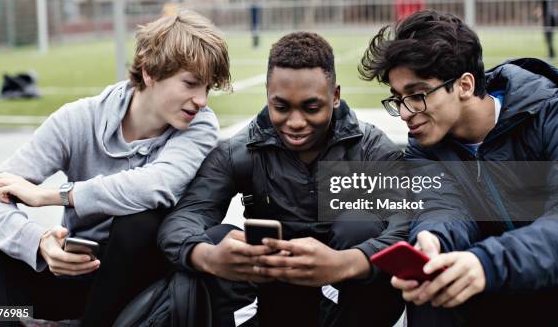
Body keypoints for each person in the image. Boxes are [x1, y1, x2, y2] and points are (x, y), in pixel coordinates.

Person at [0, 9, 231, 326]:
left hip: (141, 288)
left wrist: (53, 196)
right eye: (190, 84)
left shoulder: (200, 126)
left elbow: (154, 185)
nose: (202, 100)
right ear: (150, 72)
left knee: (140, 220)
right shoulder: (79, 119)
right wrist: (39, 243)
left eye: (207, 88)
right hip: (78, 271)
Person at [159, 32, 409, 327]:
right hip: (275, 299)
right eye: (281, 107)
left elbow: (407, 223)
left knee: (359, 224)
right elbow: (183, 218)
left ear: (336, 96)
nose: (295, 122)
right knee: (216, 239)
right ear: (268, 94)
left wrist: (348, 262)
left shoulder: (369, 149)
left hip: (351, 300)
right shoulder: (240, 152)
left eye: (311, 107)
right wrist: (208, 256)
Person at [358, 9, 558, 326]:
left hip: (553, 287)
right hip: (491, 291)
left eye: (417, 95)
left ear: (465, 85)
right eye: (398, 98)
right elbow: (443, 205)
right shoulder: (425, 145)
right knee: (429, 290)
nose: (404, 112)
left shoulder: (553, 117)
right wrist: (433, 238)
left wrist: (486, 263)